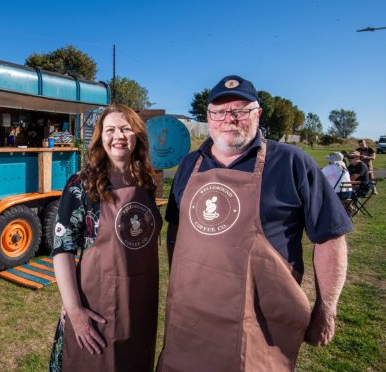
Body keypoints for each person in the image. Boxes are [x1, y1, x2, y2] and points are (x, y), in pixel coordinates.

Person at [158, 75, 352, 371]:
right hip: (190, 319)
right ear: (208, 117)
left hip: (259, 324)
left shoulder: (291, 162)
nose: (229, 119)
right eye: (220, 112)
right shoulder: (189, 165)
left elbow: (330, 237)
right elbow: (175, 230)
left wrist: (326, 309)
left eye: (240, 110)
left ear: (257, 114)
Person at [49, 104, 161, 371]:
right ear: (100, 138)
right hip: (97, 306)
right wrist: (74, 310)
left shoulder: (146, 182)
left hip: (139, 304)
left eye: (125, 129)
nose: (118, 136)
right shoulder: (82, 184)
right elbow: (62, 250)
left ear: (137, 137)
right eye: (110, 130)